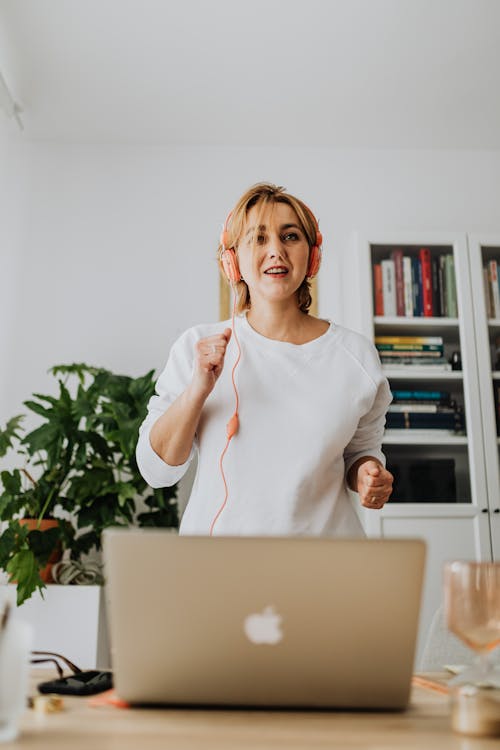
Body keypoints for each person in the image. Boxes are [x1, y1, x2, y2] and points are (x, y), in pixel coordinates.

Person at [136, 182, 393, 536]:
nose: (275, 251)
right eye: (257, 238)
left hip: (325, 568)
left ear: (312, 255)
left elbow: (361, 452)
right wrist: (198, 388)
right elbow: (157, 471)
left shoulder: (356, 355)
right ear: (232, 260)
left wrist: (367, 473)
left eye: (290, 237)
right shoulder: (197, 346)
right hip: (221, 571)